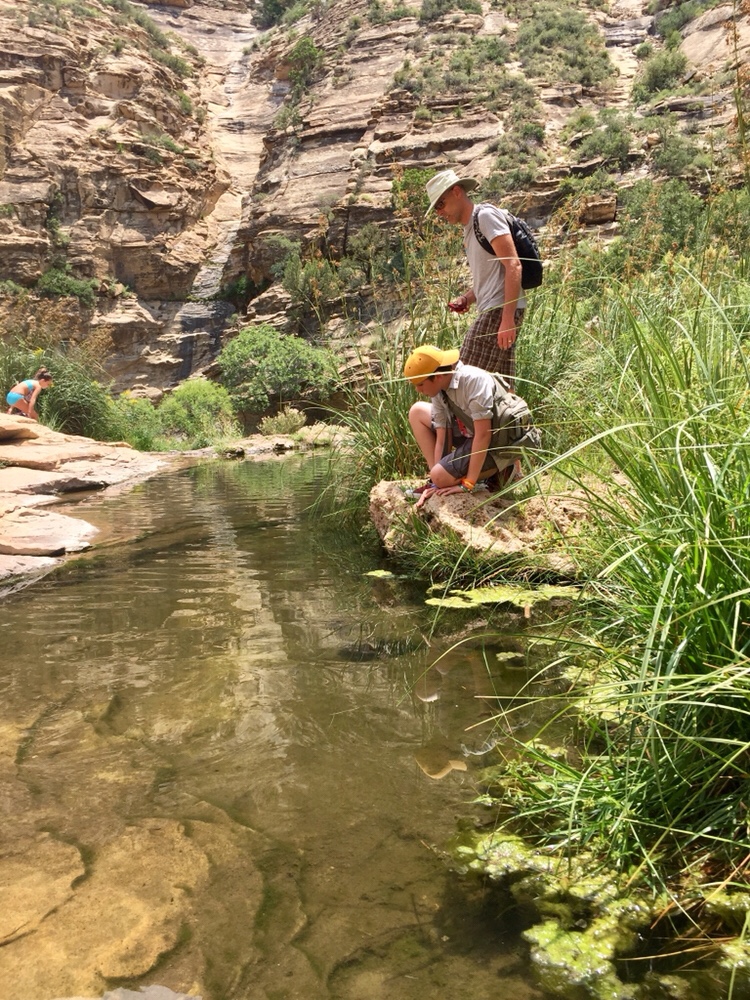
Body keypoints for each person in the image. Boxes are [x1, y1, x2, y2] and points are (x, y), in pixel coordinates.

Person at [425, 168, 524, 385]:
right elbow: (491, 276)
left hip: (498, 311)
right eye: (436, 209)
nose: (439, 212)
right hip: (497, 310)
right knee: (502, 388)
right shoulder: (470, 230)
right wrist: (467, 299)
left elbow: (513, 265)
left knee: (461, 383)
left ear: (456, 191)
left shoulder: (485, 217)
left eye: (440, 204)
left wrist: (507, 318)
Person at [404, 345, 535, 504]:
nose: (417, 390)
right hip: (471, 432)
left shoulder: (473, 381)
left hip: (497, 440)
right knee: (417, 411)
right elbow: (443, 436)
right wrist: (436, 482)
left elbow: (484, 434)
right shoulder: (438, 388)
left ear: (437, 376)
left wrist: (468, 483)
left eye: (420, 384)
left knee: (441, 475)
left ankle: (504, 467)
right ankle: (440, 480)